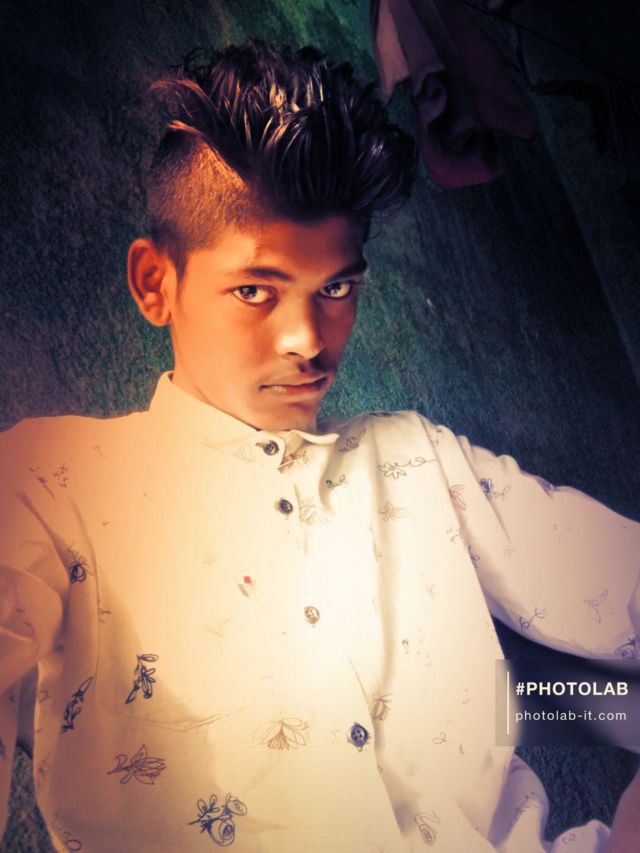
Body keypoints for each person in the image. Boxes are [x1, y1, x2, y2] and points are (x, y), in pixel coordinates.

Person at [0, 40, 638, 853]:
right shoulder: (51, 486)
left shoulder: (421, 461)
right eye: (255, 290)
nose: (308, 339)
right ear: (156, 283)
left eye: (337, 288)